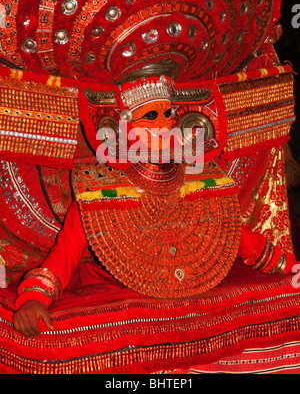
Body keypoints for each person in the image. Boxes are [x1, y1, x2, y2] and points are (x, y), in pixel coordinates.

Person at [13, 63, 296, 338]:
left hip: (194, 300)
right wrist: (34, 298)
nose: (164, 126)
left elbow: (233, 235)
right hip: (124, 301)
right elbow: (65, 254)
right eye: (150, 117)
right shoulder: (100, 188)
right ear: (124, 128)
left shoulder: (199, 175)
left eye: (168, 114)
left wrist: (290, 268)